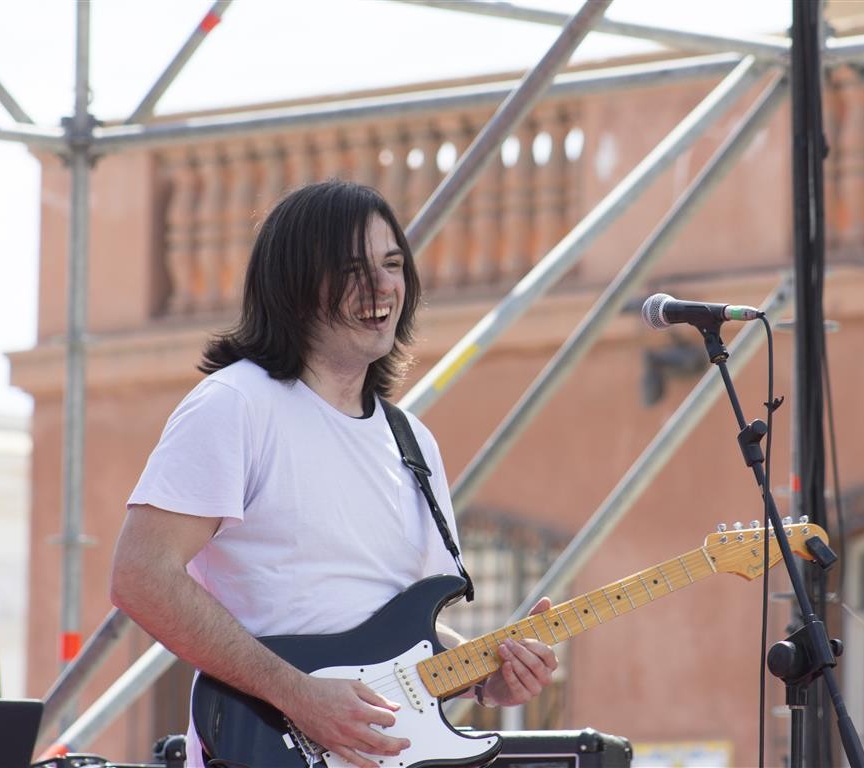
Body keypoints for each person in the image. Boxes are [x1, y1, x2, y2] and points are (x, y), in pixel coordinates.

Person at [110, 180, 558, 768]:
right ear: (293, 287)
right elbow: (140, 576)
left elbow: (392, 634)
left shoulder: (413, 442)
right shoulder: (236, 405)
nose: (382, 286)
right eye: (352, 270)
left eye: (392, 264)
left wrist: (485, 676)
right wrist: (297, 694)